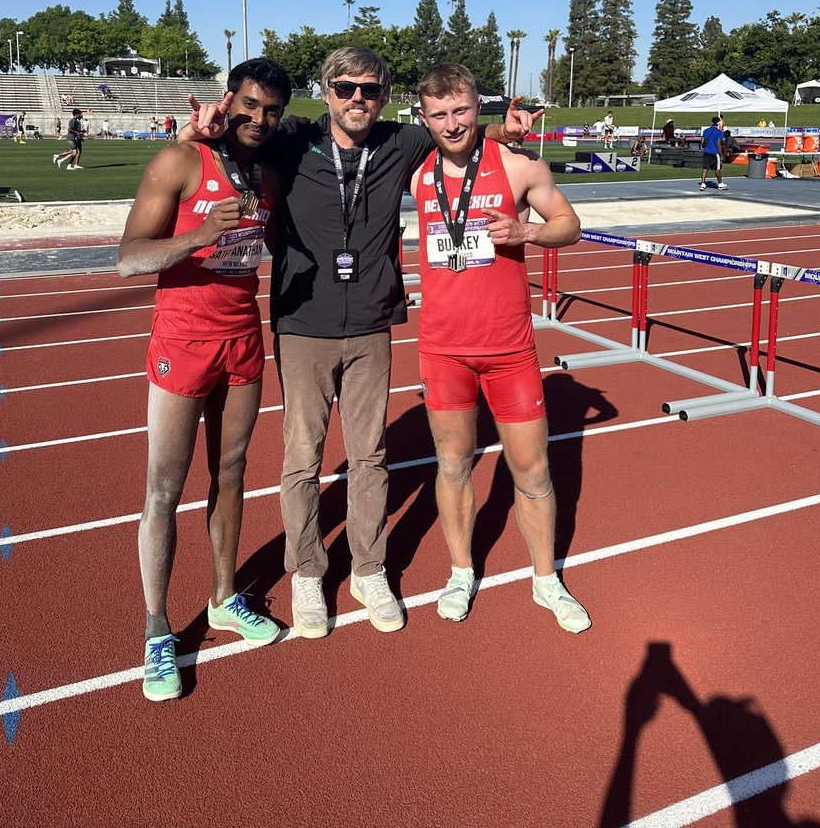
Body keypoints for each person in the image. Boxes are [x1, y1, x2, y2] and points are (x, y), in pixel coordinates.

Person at [180, 46, 537, 640]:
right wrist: (207, 137)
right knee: (303, 457)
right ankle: (305, 573)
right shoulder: (290, 137)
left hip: (371, 323)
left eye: (369, 90)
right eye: (345, 88)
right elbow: (235, 144)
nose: (356, 99)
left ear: (383, 96)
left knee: (370, 454)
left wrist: (503, 127)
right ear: (326, 91)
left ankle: (369, 569)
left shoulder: (401, 143)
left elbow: (455, 134)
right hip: (303, 324)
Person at [116, 58, 292, 702]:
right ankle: (158, 629)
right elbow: (127, 260)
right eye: (248, 105)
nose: (259, 119)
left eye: (271, 111)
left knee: (233, 471)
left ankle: (223, 597)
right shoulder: (180, 162)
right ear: (229, 99)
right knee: (164, 489)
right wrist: (196, 234)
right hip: (182, 340)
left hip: (244, 336)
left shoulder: (268, 171)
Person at [410, 63, 590, 633]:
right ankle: (461, 570)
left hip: (509, 349)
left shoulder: (519, 168)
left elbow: (570, 223)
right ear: (424, 118)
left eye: (461, 110)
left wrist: (527, 232)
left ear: (477, 107)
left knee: (532, 470)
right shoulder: (415, 173)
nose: (452, 123)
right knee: (453, 464)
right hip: (444, 350)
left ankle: (545, 579)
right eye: (439, 114)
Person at [700, 116, 727, 191]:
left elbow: (702, 141)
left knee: (705, 168)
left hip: (706, 151)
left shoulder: (705, 131)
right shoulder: (719, 132)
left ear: (711, 122)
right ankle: (720, 184)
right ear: (718, 123)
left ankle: (702, 183)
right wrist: (721, 154)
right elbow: (719, 144)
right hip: (714, 152)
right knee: (717, 169)